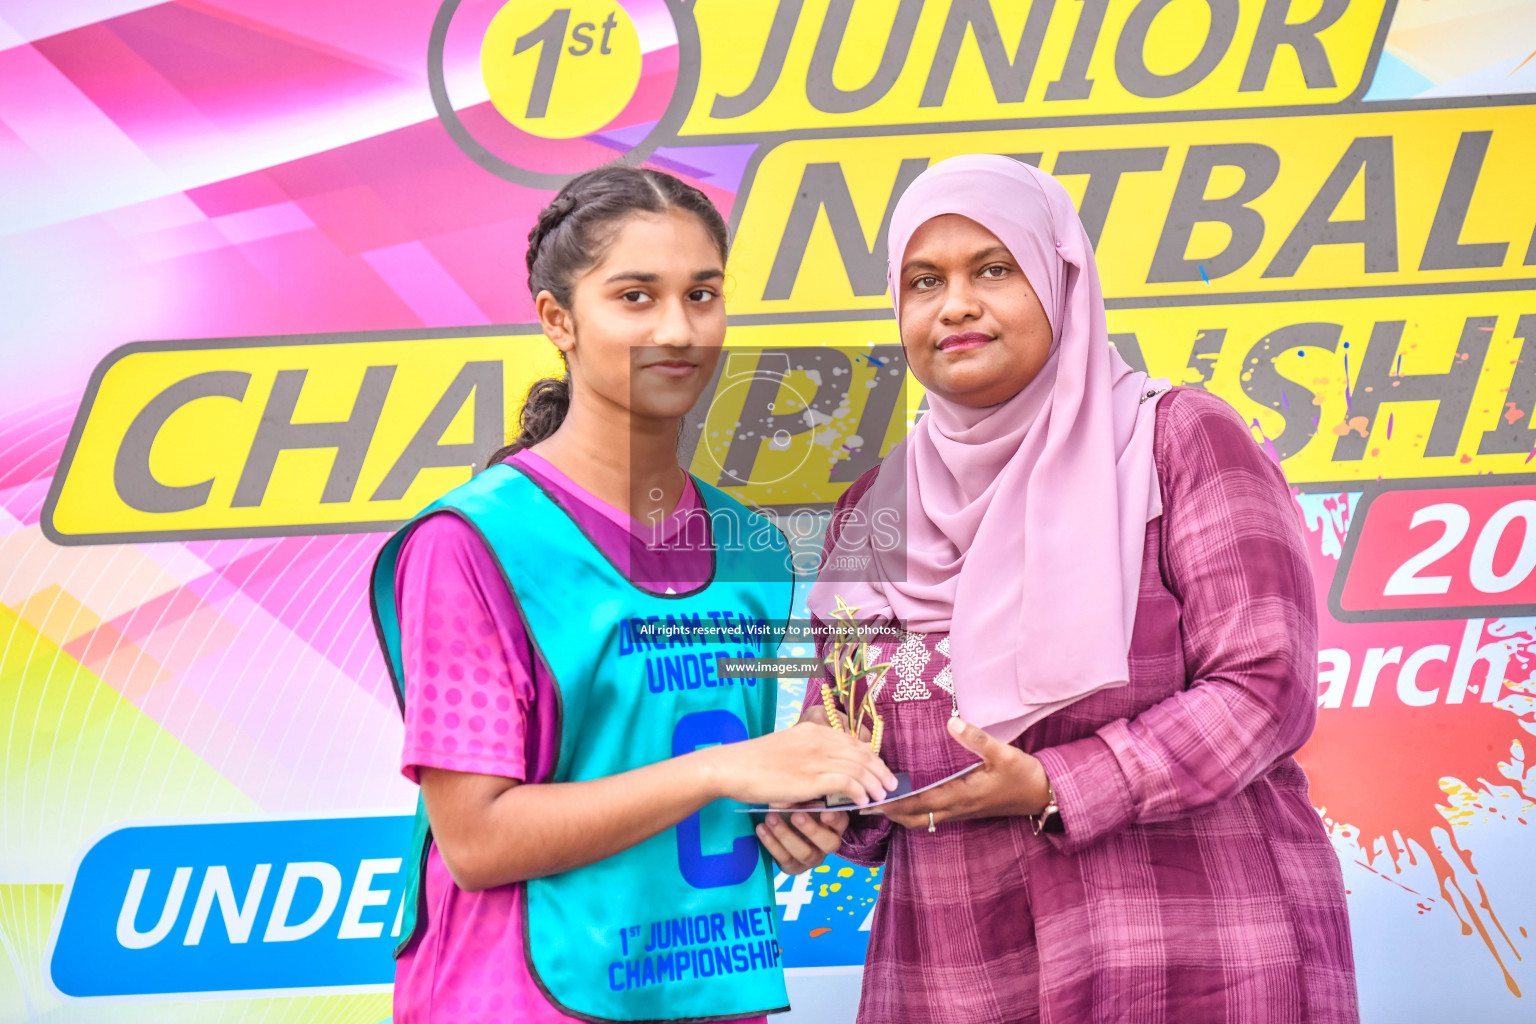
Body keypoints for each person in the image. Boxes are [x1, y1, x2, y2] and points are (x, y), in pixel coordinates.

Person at [803, 154, 1358, 1023]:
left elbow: (1264, 687)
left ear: (1062, 284)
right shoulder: (874, 510)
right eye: (923, 280)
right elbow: (841, 724)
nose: (954, 304)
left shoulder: (1178, 441)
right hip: (957, 970)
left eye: (994, 270)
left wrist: (1062, 783)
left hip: (1192, 953)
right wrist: (821, 803)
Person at [370, 164, 897, 1024]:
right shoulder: (470, 544)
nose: (678, 329)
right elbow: (476, 840)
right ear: (558, 320)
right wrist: (719, 770)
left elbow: (725, 774)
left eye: (702, 293)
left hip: (711, 993)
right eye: (636, 297)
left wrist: (790, 811)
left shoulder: (758, 549)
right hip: (521, 996)